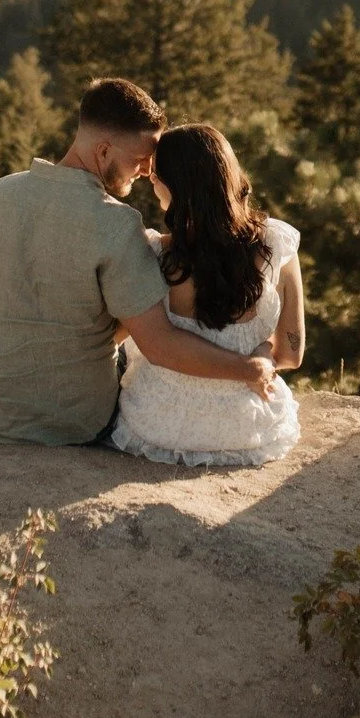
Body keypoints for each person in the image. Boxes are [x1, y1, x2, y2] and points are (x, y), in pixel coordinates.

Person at [0, 78, 277, 445]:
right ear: (104, 151)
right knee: (126, 360)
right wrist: (247, 368)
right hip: (81, 424)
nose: (147, 171)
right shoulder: (117, 224)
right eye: (141, 159)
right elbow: (160, 345)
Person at [110, 124, 304, 468]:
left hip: (156, 425)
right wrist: (261, 356)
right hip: (250, 429)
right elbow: (292, 353)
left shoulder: (149, 254)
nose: (150, 180)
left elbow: (115, 337)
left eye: (156, 174)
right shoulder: (277, 245)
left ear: (175, 187)